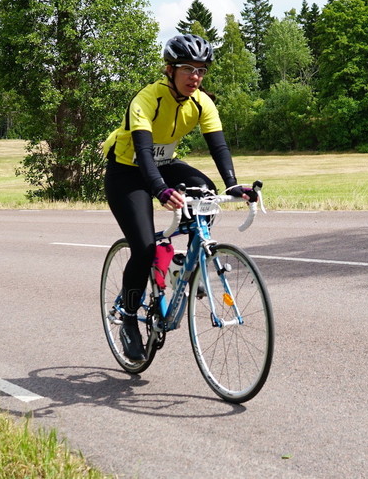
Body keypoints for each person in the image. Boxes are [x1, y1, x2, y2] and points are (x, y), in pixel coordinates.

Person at [103, 33, 257, 361]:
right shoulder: (146, 99)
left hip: (164, 165)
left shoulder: (202, 101)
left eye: (201, 70)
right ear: (169, 69)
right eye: (187, 68)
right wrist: (160, 190)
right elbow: (143, 152)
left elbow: (219, 146)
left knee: (207, 192)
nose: (195, 77)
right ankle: (128, 318)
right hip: (127, 171)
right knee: (143, 249)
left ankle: (178, 262)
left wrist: (231, 184)